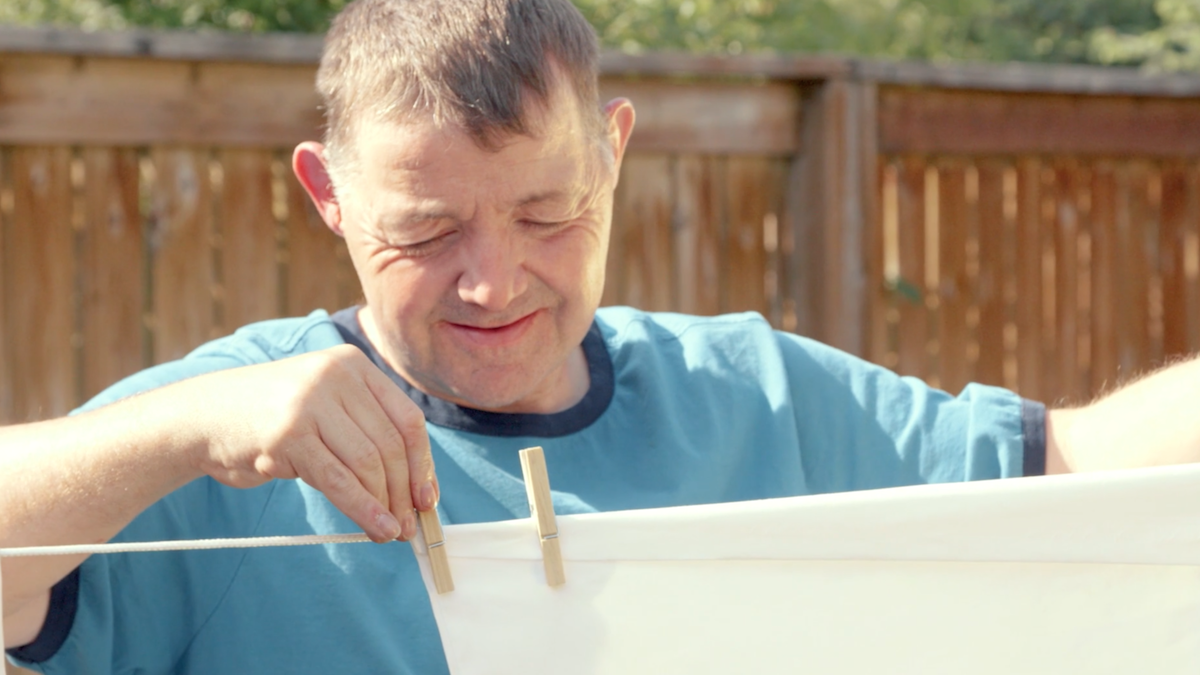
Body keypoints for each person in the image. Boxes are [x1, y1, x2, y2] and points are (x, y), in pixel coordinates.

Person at [3, 0, 1199, 671]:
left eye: (546, 213)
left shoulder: (755, 398)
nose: (495, 280)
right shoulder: (229, 434)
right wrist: (183, 430)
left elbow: (1077, 468)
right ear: (330, 195)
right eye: (426, 232)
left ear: (614, 155)